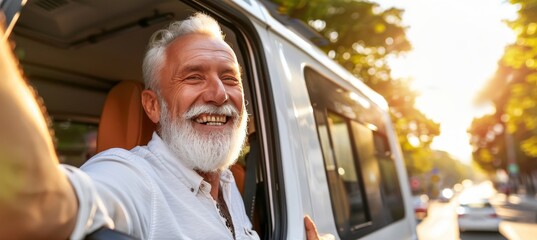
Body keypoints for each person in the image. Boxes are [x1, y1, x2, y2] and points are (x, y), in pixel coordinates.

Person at [0, 12, 327, 239]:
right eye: (193, 77)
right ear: (153, 106)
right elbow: (36, 210)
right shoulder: (133, 177)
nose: (218, 93)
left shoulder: (228, 181)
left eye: (230, 78)